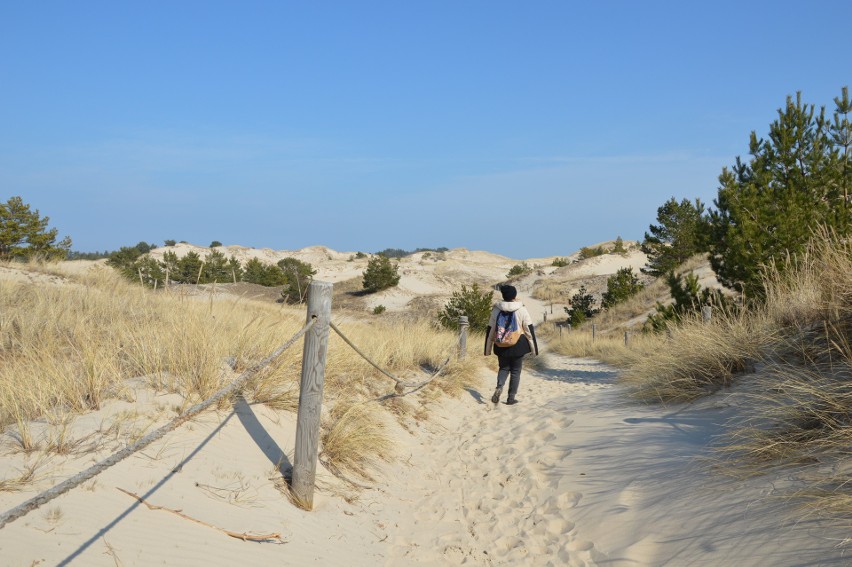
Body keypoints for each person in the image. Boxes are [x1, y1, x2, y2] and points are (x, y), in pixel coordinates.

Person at [484, 285, 539, 405]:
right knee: (515, 371)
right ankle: (511, 398)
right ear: (514, 296)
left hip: (500, 344)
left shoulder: (496, 309)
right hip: (517, 345)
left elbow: (490, 329)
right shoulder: (521, 309)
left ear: (503, 296)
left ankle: (499, 387)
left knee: (503, 368)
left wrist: (487, 349)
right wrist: (534, 349)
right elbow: (529, 329)